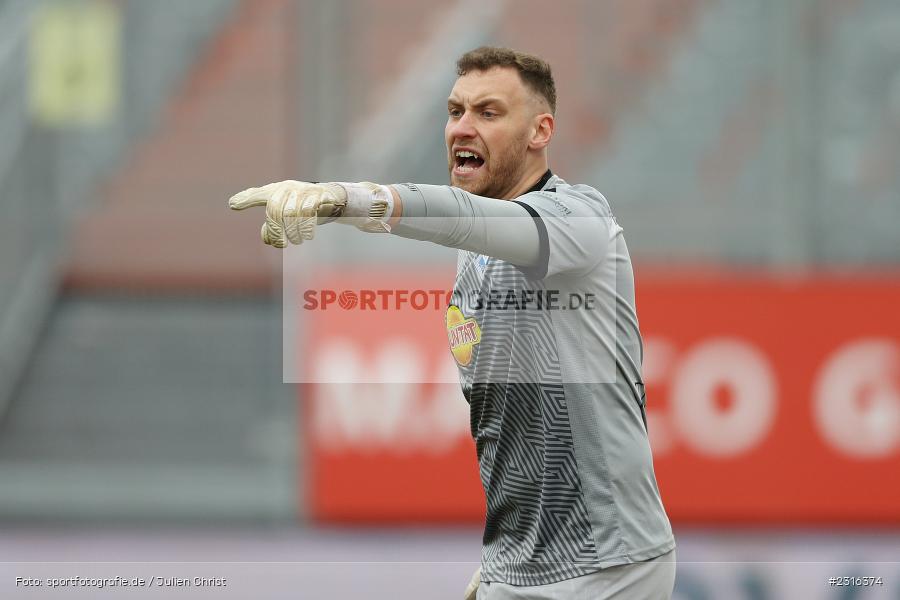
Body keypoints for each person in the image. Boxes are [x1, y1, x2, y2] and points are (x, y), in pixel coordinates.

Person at [229, 46, 676, 600]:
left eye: (488, 113)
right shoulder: (473, 257)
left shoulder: (581, 222)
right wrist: (503, 564)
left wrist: (345, 199)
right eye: (455, 111)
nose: (462, 128)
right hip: (519, 566)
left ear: (540, 131)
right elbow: (512, 432)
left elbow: (463, 220)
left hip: (606, 565)